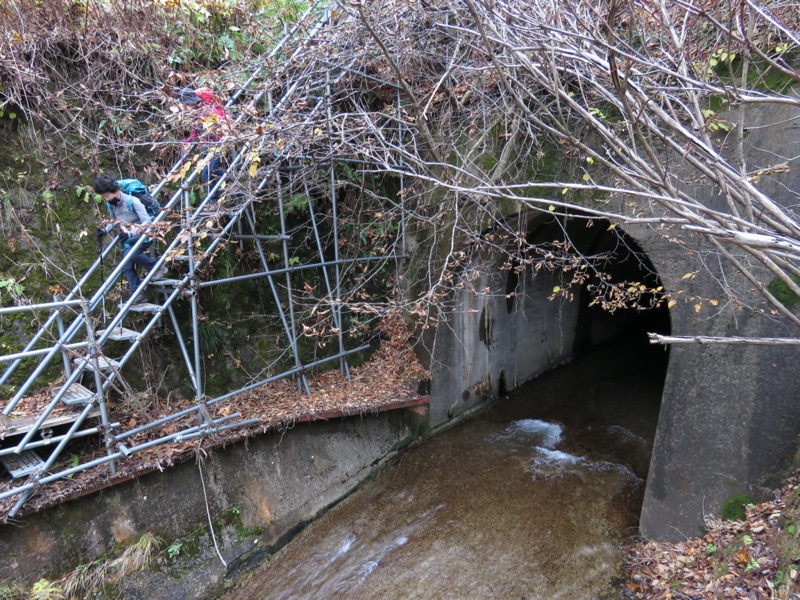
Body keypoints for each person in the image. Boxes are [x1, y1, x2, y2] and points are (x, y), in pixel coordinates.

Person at [94, 174, 167, 294]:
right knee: (126, 265)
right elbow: (115, 221)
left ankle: (157, 266)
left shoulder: (133, 201)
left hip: (144, 235)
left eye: (107, 196)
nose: (106, 199)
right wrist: (104, 230)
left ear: (116, 191)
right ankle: (138, 293)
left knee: (130, 255)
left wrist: (131, 234)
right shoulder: (111, 205)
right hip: (129, 239)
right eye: (104, 197)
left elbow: (147, 223)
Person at [178, 87, 230, 204]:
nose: (188, 107)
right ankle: (220, 190)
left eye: (189, 105)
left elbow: (222, 125)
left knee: (209, 170)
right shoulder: (196, 113)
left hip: (218, 143)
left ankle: (214, 199)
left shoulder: (209, 110)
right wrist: (186, 142)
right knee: (208, 171)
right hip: (206, 145)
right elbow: (195, 133)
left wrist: (210, 133)